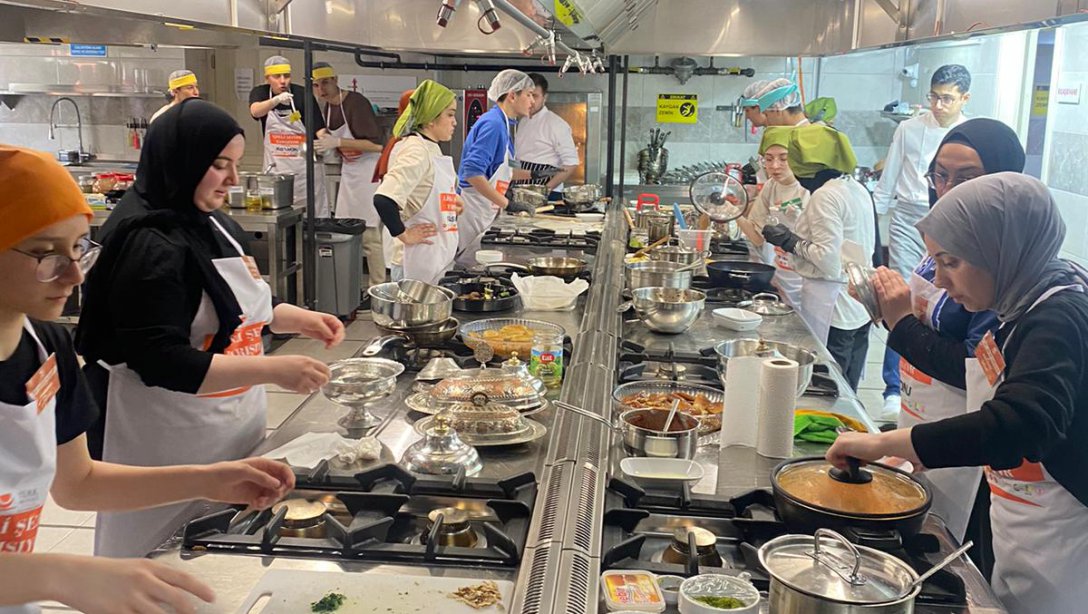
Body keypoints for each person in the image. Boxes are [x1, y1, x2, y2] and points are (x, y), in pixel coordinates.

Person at [0, 144, 294, 614]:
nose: (74, 275)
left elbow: (78, 484)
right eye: (44, 254)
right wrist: (57, 575)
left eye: (79, 248)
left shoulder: (45, 349)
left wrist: (209, 480)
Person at [74, 100, 343, 558]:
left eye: (235, 164)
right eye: (219, 165)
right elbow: (160, 361)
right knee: (160, 558)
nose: (233, 179)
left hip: (228, 425)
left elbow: (234, 305)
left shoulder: (212, 222)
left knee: (222, 552)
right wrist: (272, 371)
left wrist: (295, 317)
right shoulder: (148, 242)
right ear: (181, 161)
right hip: (167, 439)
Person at [829, 173, 1088, 614]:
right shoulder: (1018, 303)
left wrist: (888, 443)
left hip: (1066, 542)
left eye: (951, 262)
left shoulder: (1059, 317)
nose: (941, 281)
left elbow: (1020, 424)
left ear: (1000, 249)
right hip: (1024, 528)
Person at [872, 64, 971, 420]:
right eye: (934, 97)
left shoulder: (969, 134)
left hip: (954, 221)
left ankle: (925, 378)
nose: (938, 105)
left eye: (947, 98)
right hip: (909, 215)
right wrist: (875, 229)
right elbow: (889, 179)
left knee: (939, 300)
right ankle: (893, 387)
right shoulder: (909, 128)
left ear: (964, 98)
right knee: (902, 296)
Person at [762, 125, 875, 390]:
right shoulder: (854, 188)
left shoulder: (826, 196)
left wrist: (790, 241)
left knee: (828, 387)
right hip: (858, 302)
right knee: (847, 389)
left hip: (833, 306)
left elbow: (828, 261)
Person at [372, 80, 463, 285]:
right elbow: (384, 199)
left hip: (434, 259)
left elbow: (423, 190)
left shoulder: (431, 147)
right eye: (449, 115)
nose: (454, 122)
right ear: (430, 120)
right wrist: (404, 235)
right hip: (415, 262)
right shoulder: (416, 150)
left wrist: (450, 203)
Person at [311, 61, 388, 291]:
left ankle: (377, 287)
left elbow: (377, 146)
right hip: (350, 173)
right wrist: (331, 147)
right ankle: (349, 287)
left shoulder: (356, 103)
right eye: (316, 85)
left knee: (371, 237)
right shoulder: (327, 107)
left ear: (335, 80)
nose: (321, 90)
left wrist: (338, 142)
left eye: (325, 83)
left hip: (368, 172)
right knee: (346, 231)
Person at [455, 69, 538, 267]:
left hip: (486, 209)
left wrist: (534, 174)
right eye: (529, 95)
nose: (532, 101)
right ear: (512, 96)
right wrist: (507, 204)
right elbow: (472, 172)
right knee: (468, 266)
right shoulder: (493, 125)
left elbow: (503, 167)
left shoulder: (504, 123)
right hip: (473, 211)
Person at [736, 126, 809, 309]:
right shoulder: (771, 186)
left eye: (784, 159)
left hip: (806, 278)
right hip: (780, 275)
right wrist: (732, 213)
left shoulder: (808, 188)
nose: (775, 166)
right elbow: (757, 237)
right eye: (768, 159)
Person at [248, 55, 329, 215]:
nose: (283, 81)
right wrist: (275, 100)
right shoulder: (261, 93)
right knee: (279, 212)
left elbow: (318, 128)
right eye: (277, 76)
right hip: (276, 168)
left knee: (311, 212)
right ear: (267, 78)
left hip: (305, 168)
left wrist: (328, 142)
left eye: (286, 76)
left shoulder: (302, 94)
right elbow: (255, 111)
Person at [512, 72, 580, 200]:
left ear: (545, 97)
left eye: (535, 96)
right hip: (521, 189)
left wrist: (545, 190)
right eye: (528, 95)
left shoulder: (556, 124)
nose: (531, 101)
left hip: (549, 193)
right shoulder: (523, 121)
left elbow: (571, 163)